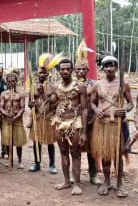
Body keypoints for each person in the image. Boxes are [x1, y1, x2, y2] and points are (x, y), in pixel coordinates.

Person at [90, 56, 133, 197]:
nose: (109, 68)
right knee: (105, 154)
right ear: (103, 68)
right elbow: (92, 103)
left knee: (117, 155)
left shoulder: (123, 84)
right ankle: (107, 182)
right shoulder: (97, 84)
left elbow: (130, 103)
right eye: (106, 66)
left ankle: (119, 184)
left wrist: (125, 109)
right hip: (102, 125)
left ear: (115, 67)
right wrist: (97, 111)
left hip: (117, 126)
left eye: (111, 65)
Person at [51, 58, 88, 195]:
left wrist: (84, 132)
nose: (65, 71)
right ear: (59, 71)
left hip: (75, 123)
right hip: (60, 123)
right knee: (63, 153)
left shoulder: (80, 86)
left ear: (72, 70)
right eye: (62, 69)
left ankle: (77, 184)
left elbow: (84, 109)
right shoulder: (56, 87)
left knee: (76, 154)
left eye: (68, 69)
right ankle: (67, 181)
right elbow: (51, 104)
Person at [73, 40, 101, 185]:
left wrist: (94, 117)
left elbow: (98, 103)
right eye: (78, 69)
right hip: (74, 122)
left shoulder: (94, 84)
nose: (81, 72)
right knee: (74, 149)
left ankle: (93, 175)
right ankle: (74, 174)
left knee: (92, 149)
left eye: (84, 69)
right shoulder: (71, 86)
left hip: (91, 120)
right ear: (74, 71)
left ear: (88, 70)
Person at [28, 54, 57, 174]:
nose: (42, 75)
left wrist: (43, 93)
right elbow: (30, 103)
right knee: (36, 141)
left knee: (50, 141)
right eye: (40, 73)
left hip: (48, 117)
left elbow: (52, 103)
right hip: (37, 117)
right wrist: (30, 104)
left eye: (44, 73)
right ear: (37, 74)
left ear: (47, 74)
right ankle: (37, 163)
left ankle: (52, 164)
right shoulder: (32, 86)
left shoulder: (52, 87)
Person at [0, 72, 26, 169]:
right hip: (7, 119)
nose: (11, 83)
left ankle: (19, 161)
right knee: (8, 140)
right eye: (9, 81)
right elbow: (1, 107)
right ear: (6, 82)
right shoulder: (3, 94)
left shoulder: (20, 94)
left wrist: (16, 116)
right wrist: (6, 114)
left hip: (17, 120)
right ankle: (9, 159)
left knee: (18, 141)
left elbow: (22, 108)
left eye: (13, 81)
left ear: (16, 81)